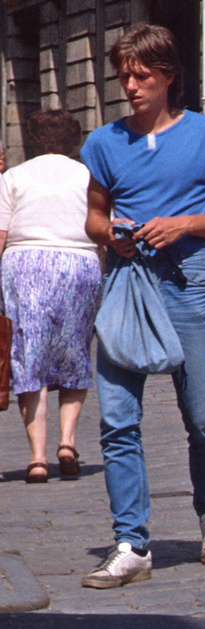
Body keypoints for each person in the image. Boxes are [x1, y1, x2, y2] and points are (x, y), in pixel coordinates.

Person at [80, 24, 205, 588]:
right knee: (118, 418)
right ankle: (132, 541)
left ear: (169, 76)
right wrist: (112, 236)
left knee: (204, 416)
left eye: (142, 75)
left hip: (187, 281)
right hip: (127, 283)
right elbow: (93, 217)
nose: (130, 85)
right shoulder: (104, 143)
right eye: (124, 75)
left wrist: (183, 224)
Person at [0, 110, 100, 484]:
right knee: (75, 351)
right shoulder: (89, 175)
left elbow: (0, 234)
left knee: (30, 355)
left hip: (24, 264)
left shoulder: (14, 177)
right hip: (78, 263)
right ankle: (68, 442)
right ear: (75, 141)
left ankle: (38, 458)